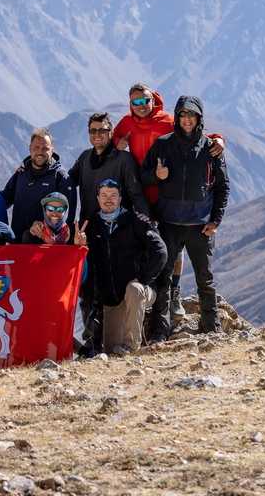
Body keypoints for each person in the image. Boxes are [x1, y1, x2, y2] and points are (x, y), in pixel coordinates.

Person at [113, 83, 224, 322]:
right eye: (136, 102)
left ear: (154, 100)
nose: (141, 106)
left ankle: (174, 295)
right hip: (141, 197)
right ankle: (146, 305)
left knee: (177, 256)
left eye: (145, 101)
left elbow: (198, 133)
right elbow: (112, 144)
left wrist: (219, 139)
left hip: (169, 202)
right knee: (150, 250)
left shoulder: (167, 120)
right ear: (130, 104)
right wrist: (118, 146)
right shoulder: (126, 124)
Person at [141, 96, 230, 339]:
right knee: (164, 278)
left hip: (200, 225)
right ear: (177, 118)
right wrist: (156, 175)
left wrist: (215, 221)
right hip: (169, 223)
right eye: (182, 115)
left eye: (192, 115)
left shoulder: (211, 149)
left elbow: (223, 187)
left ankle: (211, 327)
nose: (187, 120)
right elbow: (143, 176)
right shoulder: (163, 144)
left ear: (199, 118)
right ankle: (160, 331)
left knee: (205, 278)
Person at [76, 179, 168, 355]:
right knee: (110, 349)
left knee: (134, 290)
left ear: (120, 199)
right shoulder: (92, 225)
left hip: (140, 290)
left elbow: (161, 251)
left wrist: (143, 279)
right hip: (113, 299)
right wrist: (80, 247)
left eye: (113, 195)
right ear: (97, 198)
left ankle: (132, 347)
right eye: (104, 195)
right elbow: (85, 265)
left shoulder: (134, 221)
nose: (108, 199)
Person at [69, 113, 148, 223]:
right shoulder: (84, 157)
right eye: (93, 131)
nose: (97, 134)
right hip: (87, 227)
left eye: (102, 130)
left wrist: (146, 221)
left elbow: (136, 195)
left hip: (117, 228)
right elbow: (68, 182)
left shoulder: (124, 159)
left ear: (111, 132)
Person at [1, 128, 76, 240]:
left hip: (46, 248)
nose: (40, 152)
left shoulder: (61, 178)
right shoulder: (21, 174)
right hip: (18, 244)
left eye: (45, 148)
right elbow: (4, 199)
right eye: (36, 147)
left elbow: (68, 218)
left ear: (52, 150)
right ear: (30, 148)